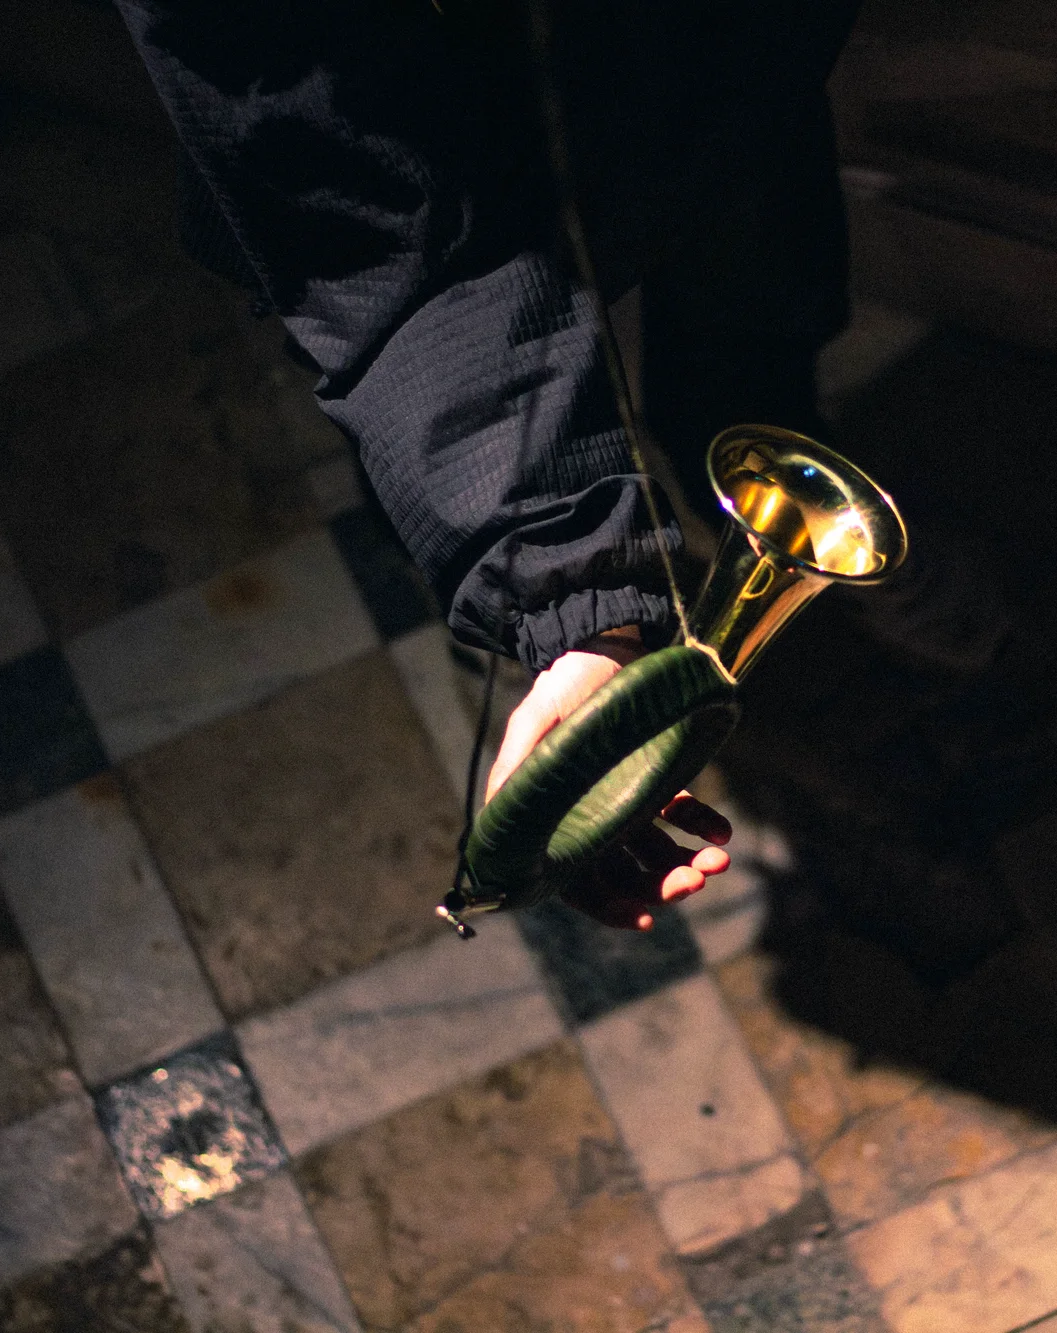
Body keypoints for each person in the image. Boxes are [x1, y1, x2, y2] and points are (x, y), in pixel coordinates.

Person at [117, 0, 997, 929]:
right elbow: (347, 205)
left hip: (718, 72)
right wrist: (572, 594)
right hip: (440, 183)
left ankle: (793, 498)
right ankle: (554, 598)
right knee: (435, 455)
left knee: (752, 317)